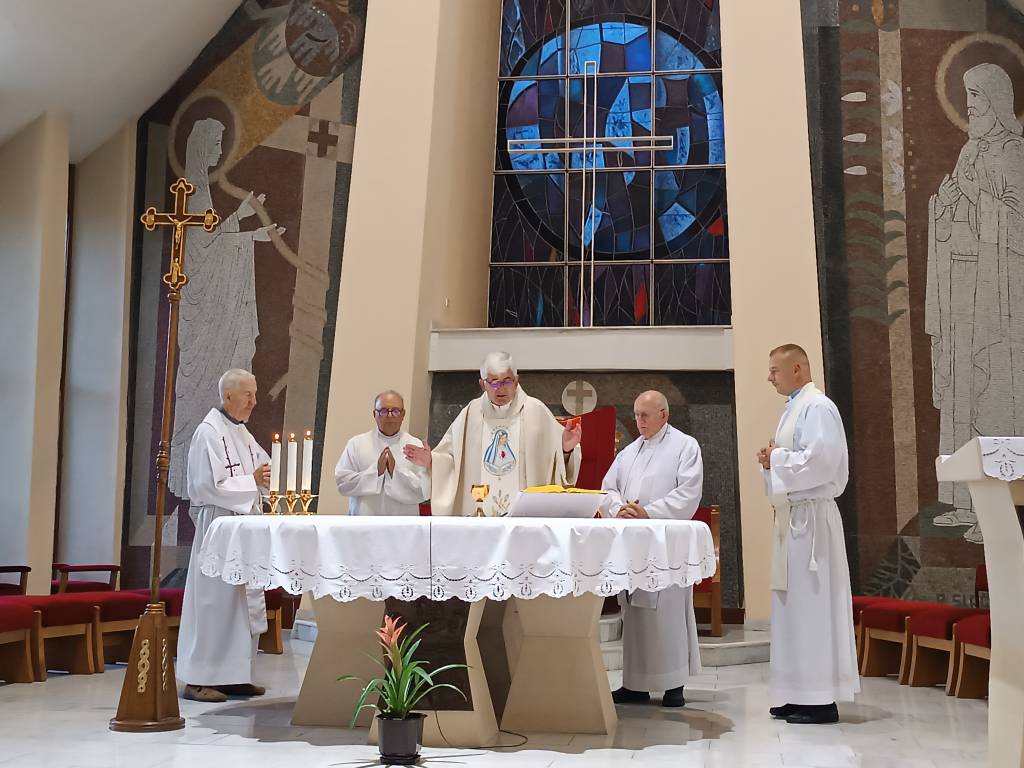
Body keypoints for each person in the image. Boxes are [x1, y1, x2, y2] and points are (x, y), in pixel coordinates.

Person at [926, 63, 1024, 544]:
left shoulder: (1013, 153)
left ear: (998, 101)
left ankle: (999, 509)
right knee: (961, 391)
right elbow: (951, 212)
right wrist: (943, 205)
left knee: (994, 396)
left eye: (978, 97)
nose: (970, 105)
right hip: (962, 289)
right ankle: (965, 503)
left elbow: (1016, 222)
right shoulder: (969, 151)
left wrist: (972, 194)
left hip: (999, 299)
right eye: (967, 96)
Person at [167, 117, 284, 500]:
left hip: (212, 306)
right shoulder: (192, 192)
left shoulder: (240, 434)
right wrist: (245, 230)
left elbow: (210, 241)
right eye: (216, 143)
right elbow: (202, 253)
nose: (220, 151)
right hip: (205, 313)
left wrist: (247, 229)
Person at [757, 344, 859, 724]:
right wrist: (771, 461)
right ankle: (796, 692)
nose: (769, 377)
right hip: (794, 519)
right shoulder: (794, 409)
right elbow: (794, 459)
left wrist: (775, 458)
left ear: (797, 368)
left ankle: (820, 701)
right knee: (791, 608)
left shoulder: (818, 407)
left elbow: (823, 462)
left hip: (812, 521)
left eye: (775, 370)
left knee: (813, 606)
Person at [601, 391, 703, 708]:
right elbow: (608, 489)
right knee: (635, 615)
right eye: (636, 415)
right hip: (634, 545)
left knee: (667, 613)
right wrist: (619, 509)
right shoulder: (629, 452)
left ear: (664, 414)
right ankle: (636, 684)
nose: (639, 421)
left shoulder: (685, 446)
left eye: (645, 415)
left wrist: (649, 512)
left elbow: (688, 493)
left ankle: (673, 684)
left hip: (666, 544)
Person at [177, 369, 272, 703]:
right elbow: (205, 486)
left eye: (255, 394)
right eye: (248, 394)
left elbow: (264, 471)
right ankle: (198, 679)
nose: (254, 401)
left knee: (239, 605)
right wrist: (252, 481)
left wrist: (269, 479)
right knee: (214, 604)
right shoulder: (208, 432)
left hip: (241, 527)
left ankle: (234, 676)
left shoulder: (242, 433)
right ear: (228, 395)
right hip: (218, 526)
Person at [404, 351, 581, 517]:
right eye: (494, 382)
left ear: (517, 381)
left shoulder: (536, 411)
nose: (500, 389)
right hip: (479, 516)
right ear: (483, 384)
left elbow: (557, 463)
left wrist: (566, 449)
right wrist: (432, 461)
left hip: (525, 519)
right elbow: (450, 458)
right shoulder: (472, 413)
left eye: (507, 381)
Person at [335, 390, 430, 516]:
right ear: (374, 414)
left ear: (403, 414)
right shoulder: (356, 444)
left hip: (402, 524)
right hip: (364, 523)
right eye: (383, 411)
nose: (390, 416)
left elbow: (424, 490)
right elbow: (342, 484)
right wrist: (376, 472)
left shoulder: (415, 446)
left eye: (395, 411)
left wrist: (395, 471)